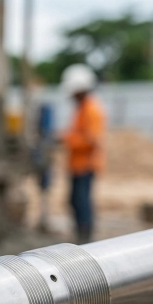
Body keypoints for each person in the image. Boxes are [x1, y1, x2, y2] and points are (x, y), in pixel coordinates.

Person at [61, 64, 105, 244]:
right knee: (75, 201)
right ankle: (81, 235)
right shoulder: (83, 108)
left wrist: (66, 139)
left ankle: (85, 239)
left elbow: (90, 140)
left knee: (82, 203)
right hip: (78, 164)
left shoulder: (91, 109)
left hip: (86, 165)